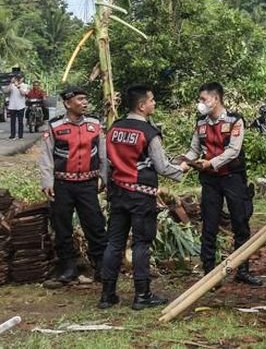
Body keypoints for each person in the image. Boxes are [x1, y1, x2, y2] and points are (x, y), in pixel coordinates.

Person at [98, 84, 186, 310]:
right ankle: (142, 295)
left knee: (114, 243)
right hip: (141, 196)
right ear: (141, 105)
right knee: (141, 243)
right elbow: (162, 167)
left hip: (118, 193)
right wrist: (182, 169)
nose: (154, 103)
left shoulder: (114, 129)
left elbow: (104, 163)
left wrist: (108, 186)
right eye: (152, 100)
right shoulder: (149, 133)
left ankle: (107, 295)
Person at [179, 82, 262, 285]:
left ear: (215, 99)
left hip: (233, 177)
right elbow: (194, 149)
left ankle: (242, 269)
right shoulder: (200, 122)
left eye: (203, 99)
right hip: (210, 180)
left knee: (240, 222)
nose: (200, 103)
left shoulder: (235, 120)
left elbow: (233, 150)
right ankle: (209, 273)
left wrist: (211, 163)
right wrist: (185, 161)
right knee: (209, 224)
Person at [37, 87, 107, 284]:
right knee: (62, 227)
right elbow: (46, 156)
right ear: (68, 103)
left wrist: (103, 177)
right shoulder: (55, 126)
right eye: (80, 99)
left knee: (95, 225)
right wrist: (47, 182)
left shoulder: (95, 124)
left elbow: (103, 153)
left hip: (88, 185)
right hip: (62, 185)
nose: (84, 103)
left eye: (86, 99)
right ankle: (68, 268)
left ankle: (101, 266)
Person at [4, 68, 31, 139]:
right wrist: (11, 83)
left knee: (20, 121)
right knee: (12, 122)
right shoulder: (12, 85)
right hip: (12, 106)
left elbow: (24, 93)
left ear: (22, 79)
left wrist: (18, 86)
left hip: (21, 106)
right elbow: (6, 91)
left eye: (20, 78)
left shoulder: (25, 85)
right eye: (17, 78)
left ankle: (20, 135)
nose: (18, 79)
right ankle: (12, 135)